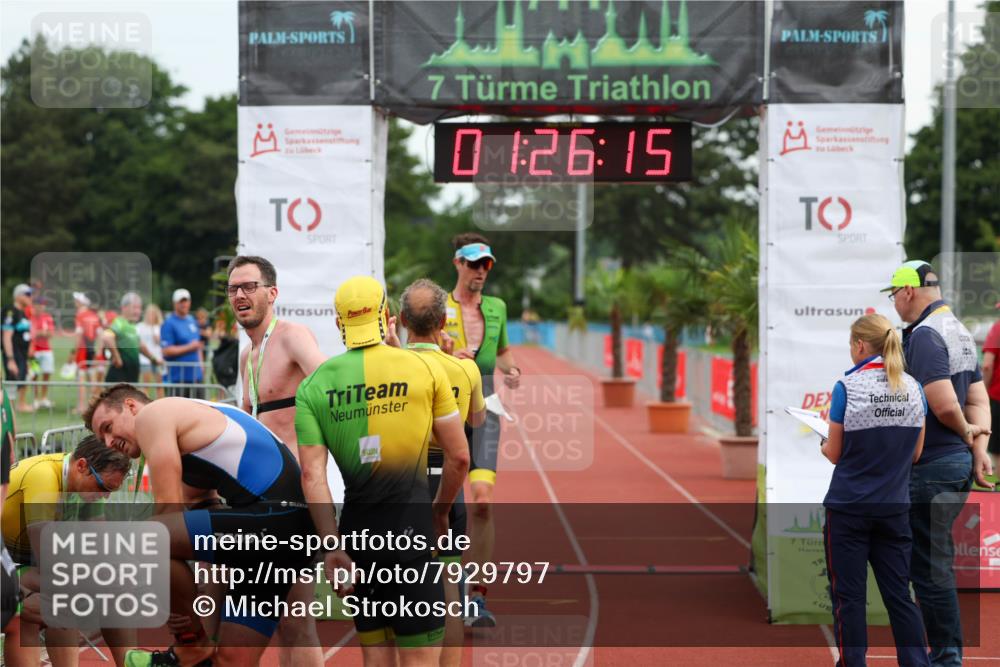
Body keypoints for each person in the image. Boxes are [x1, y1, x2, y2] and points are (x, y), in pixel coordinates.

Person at [295, 276, 470, 667]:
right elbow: (459, 456)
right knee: (420, 658)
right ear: (385, 315)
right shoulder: (424, 368)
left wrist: (332, 546)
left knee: (375, 658)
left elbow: (312, 476)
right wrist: (441, 512)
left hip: (358, 537)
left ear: (339, 323)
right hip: (412, 531)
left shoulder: (313, 386)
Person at [85, 384, 316, 667]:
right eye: (102, 439)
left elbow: (166, 516)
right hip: (288, 533)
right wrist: (194, 614)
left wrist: (181, 620)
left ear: (131, 406)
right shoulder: (192, 433)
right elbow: (204, 531)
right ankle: (196, 648)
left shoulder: (153, 415)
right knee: (231, 661)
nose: (109, 442)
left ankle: (190, 646)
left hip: (277, 518)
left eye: (108, 427)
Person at [883, 260, 994, 667]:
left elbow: (945, 404)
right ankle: (943, 654)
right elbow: (978, 399)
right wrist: (978, 448)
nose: (894, 303)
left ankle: (947, 658)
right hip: (955, 464)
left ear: (908, 291)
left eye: (893, 295)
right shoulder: (958, 329)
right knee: (933, 566)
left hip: (931, 465)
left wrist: (965, 433)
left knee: (930, 570)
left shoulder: (926, 335)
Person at [227, 255, 328, 666]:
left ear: (272, 293)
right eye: (233, 289)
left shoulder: (292, 336)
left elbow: (329, 389)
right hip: (258, 498)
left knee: (297, 620)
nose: (240, 295)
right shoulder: (246, 356)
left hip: (295, 497)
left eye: (249, 286)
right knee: (278, 620)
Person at [820, 313, 930, 667]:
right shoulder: (914, 388)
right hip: (894, 507)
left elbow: (834, 454)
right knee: (900, 595)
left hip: (849, 508)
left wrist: (823, 442)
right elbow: (916, 454)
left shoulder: (847, 387)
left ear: (859, 345)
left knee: (849, 598)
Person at [400, 278, 486, 667]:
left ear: (403, 320)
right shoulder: (465, 370)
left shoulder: (391, 366)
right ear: (442, 322)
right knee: (449, 588)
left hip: (402, 481)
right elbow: (477, 421)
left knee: (400, 588)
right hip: (447, 483)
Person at [1, 436, 134, 667]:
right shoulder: (43, 477)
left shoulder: (90, 484)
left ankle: (130, 663)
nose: (105, 496)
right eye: (104, 488)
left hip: (21, 562)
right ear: (81, 466)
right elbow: (50, 564)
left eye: (111, 491)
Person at [444, 233, 520, 627]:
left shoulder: (497, 307)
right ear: (458, 263)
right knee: (445, 503)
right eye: (474, 263)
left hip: (486, 404)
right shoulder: (437, 305)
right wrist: (446, 355)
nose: (481, 271)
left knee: (484, 502)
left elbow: (502, 352)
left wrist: (512, 369)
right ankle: (443, 588)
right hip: (446, 406)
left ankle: (477, 594)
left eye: (486, 264)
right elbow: (415, 350)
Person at [104, 293, 163, 385]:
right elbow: (107, 337)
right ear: (124, 308)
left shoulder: (132, 326)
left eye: (139, 308)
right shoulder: (119, 322)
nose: (138, 311)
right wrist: (117, 357)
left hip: (131, 377)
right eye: (134, 308)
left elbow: (140, 345)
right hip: (119, 378)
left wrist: (153, 359)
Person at [160, 289, 204, 398]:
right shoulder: (169, 323)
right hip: (178, 379)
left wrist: (201, 366)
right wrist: (190, 347)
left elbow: (197, 346)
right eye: (181, 301)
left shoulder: (192, 320)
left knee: (199, 408)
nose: (184, 304)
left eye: (186, 301)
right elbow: (166, 351)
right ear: (174, 303)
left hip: (196, 377)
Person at [3, 284, 34, 412]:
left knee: (23, 378)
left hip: (23, 354)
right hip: (14, 354)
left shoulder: (24, 313)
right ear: (18, 296)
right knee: (12, 381)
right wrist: (10, 359)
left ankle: (21, 404)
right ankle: (8, 408)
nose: (30, 297)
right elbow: (6, 336)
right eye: (28, 294)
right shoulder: (10, 311)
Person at [73, 292, 104, 414]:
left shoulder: (80, 315)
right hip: (92, 349)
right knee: (92, 378)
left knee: (81, 378)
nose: (75, 303)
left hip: (83, 350)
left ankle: (81, 406)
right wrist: (99, 351)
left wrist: (74, 352)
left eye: (77, 301)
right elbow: (100, 335)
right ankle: (93, 405)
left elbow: (79, 335)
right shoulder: (94, 315)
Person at [982, 304, 1000, 469]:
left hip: (997, 397)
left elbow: (987, 365)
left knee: (997, 451)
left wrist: (983, 393)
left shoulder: (998, 329)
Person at [29, 297, 55, 409]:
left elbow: (50, 334)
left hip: (46, 350)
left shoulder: (47, 317)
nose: (41, 307)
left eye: (43, 305)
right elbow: (31, 334)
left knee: (46, 373)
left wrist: (38, 332)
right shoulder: (30, 318)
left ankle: (44, 398)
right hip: (34, 351)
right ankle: (35, 399)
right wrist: (41, 332)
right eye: (39, 304)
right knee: (34, 374)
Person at [137, 304, 165, 395]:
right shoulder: (139, 326)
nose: (151, 316)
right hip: (144, 359)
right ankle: (146, 403)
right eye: (149, 313)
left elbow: (160, 342)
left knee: (160, 385)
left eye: (153, 314)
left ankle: (161, 402)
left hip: (158, 359)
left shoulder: (159, 327)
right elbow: (138, 341)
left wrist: (153, 329)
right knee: (146, 385)